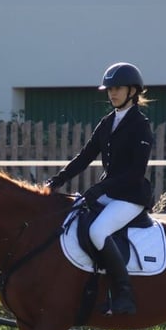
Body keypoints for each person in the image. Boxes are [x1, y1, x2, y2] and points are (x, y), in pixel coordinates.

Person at [45, 62, 154, 316]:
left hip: (130, 197)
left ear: (132, 91)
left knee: (97, 230)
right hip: (109, 193)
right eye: (109, 89)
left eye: (117, 88)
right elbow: (84, 157)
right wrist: (58, 180)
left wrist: (98, 189)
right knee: (72, 219)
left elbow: (135, 172)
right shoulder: (108, 122)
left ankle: (124, 293)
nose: (112, 93)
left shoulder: (140, 125)